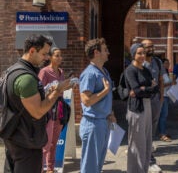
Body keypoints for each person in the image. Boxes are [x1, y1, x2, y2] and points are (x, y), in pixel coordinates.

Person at [3, 34, 69, 173]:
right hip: (27, 142)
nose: (46, 58)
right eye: (44, 54)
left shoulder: (11, 70)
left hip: (15, 138)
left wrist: (47, 92)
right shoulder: (26, 77)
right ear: (32, 51)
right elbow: (38, 111)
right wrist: (57, 91)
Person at [79, 38, 116, 173]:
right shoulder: (89, 74)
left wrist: (111, 113)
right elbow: (86, 101)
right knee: (90, 166)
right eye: (105, 50)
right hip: (93, 123)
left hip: (103, 122)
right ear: (96, 52)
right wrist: (104, 91)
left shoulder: (104, 71)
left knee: (98, 164)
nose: (108, 53)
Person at [125, 43, 159, 172]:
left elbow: (155, 88)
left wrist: (145, 89)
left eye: (143, 53)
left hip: (147, 105)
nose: (142, 55)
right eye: (139, 53)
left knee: (146, 142)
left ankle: (144, 170)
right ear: (133, 54)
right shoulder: (130, 70)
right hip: (136, 109)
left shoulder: (146, 70)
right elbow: (136, 91)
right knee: (137, 144)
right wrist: (146, 89)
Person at [38, 47, 71, 173]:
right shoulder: (44, 72)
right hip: (48, 109)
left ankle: (50, 169)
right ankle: (40, 169)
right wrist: (52, 89)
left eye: (60, 55)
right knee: (45, 144)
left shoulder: (61, 71)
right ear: (50, 57)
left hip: (60, 109)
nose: (60, 58)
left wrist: (68, 86)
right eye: (57, 55)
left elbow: (61, 91)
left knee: (54, 142)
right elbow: (40, 90)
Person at [141, 39, 165, 172]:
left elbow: (161, 79)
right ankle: (149, 160)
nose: (151, 48)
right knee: (145, 129)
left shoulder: (157, 62)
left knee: (151, 130)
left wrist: (161, 97)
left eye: (152, 46)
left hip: (156, 101)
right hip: (144, 101)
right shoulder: (140, 63)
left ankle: (148, 158)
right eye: (148, 46)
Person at [158, 58, 175, 142]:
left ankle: (163, 131)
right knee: (163, 116)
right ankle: (162, 133)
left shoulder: (167, 73)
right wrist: (170, 83)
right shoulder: (161, 74)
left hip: (167, 96)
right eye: (166, 63)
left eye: (168, 63)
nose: (167, 65)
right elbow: (160, 85)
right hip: (163, 96)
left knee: (164, 115)